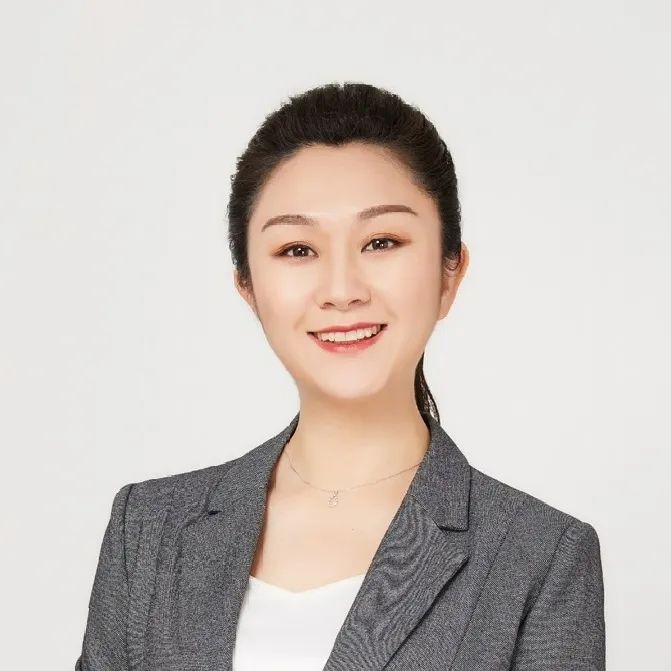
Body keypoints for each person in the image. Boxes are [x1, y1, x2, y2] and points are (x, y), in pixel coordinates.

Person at [75, 82, 605, 671]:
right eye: (297, 250)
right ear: (248, 287)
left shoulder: (540, 557)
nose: (342, 290)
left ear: (450, 272)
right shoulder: (149, 530)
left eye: (382, 241)